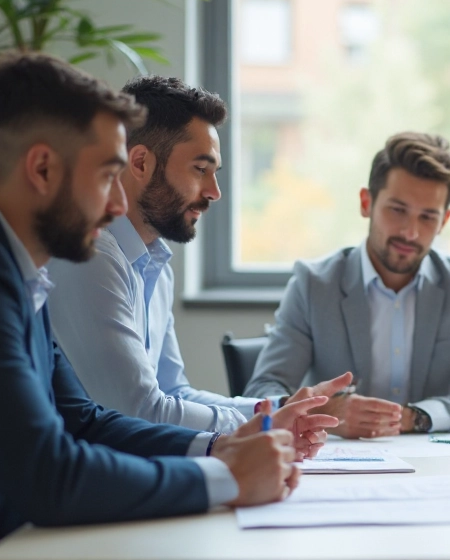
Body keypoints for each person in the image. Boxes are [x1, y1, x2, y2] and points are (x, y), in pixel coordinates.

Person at [0, 53, 301, 559]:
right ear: (43, 168)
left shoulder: (3, 252)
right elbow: (48, 477)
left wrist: (212, 448)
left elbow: (84, 419)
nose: (118, 206)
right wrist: (223, 478)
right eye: (105, 177)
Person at [46, 75, 342, 456]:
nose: (214, 192)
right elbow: (140, 412)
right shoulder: (92, 256)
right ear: (140, 163)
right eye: (200, 170)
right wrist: (264, 424)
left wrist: (276, 411)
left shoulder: (156, 266)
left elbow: (174, 392)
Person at [245, 132, 450, 437]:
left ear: (444, 221)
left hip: (432, 464)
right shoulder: (314, 285)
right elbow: (263, 390)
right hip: (335, 461)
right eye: (397, 210)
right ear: (366, 202)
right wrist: (327, 411)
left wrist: (415, 417)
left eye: (427, 217)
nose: (410, 232)